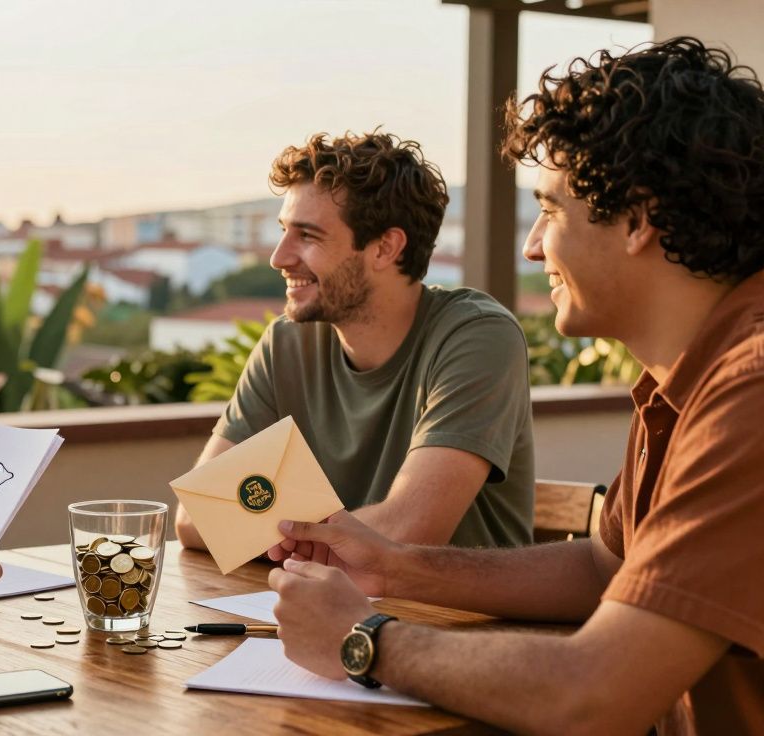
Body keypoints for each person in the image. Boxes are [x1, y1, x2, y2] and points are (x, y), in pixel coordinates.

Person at [267, 38, 764, 735]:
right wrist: (397, 567)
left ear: (638, 219)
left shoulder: (750, 394)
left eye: (551, 211)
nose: (532, 247)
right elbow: (603, 567)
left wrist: (366, 638)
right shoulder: (684, 382)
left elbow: (594, 697)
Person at [175, 131, 535, 550]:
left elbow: (408, 532)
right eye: (283, 231)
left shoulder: (475, 336)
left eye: (307, 236)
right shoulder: (287, 344)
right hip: (327, 609)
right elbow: (199, 517)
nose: (278, 257)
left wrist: (272, 530)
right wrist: (331, 538)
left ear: (385, 248)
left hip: (449, 616)